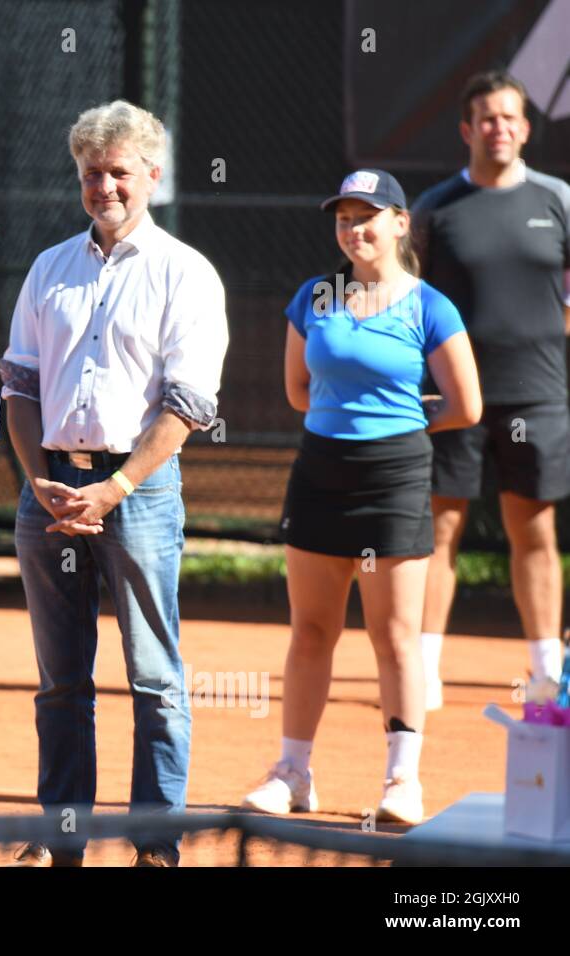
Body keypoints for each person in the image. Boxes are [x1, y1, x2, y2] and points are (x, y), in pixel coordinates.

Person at [1, 101, 229, 867]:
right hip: (51, 495)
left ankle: (155, 845)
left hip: (139, 498)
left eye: (120, 173)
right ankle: (61, 835)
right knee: (60, 681)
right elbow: (21, 388)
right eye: (92, 173)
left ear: (152, 178)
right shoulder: (48, 268)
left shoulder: (186, 273)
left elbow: (187, 406)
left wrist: (116, 489)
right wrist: (39, 482)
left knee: (155, 677)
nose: (105, 187)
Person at [242, 169, 481, 826]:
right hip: (320, 471)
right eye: (344, 218)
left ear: (401, 224)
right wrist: (346, 417)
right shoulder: (315, 298)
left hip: (395, 477)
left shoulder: (431, 306)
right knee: (311, 630)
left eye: (368, 216)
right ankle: (293, 772)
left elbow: (467, 404)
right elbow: (299, 391)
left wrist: (399, 422)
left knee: (396, 636)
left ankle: (403, 779)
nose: (354, 229)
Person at [412, 72, 570, 710]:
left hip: (538, 395)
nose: (498, 128)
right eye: (486, 118)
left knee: (534, 529)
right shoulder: (434, 209)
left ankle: (546, 672)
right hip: (452, 395)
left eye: (509, 118)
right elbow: (408, 294)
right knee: (440, 527)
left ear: (525, 129)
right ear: (466, 130)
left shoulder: (557, 199)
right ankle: (422, 670)